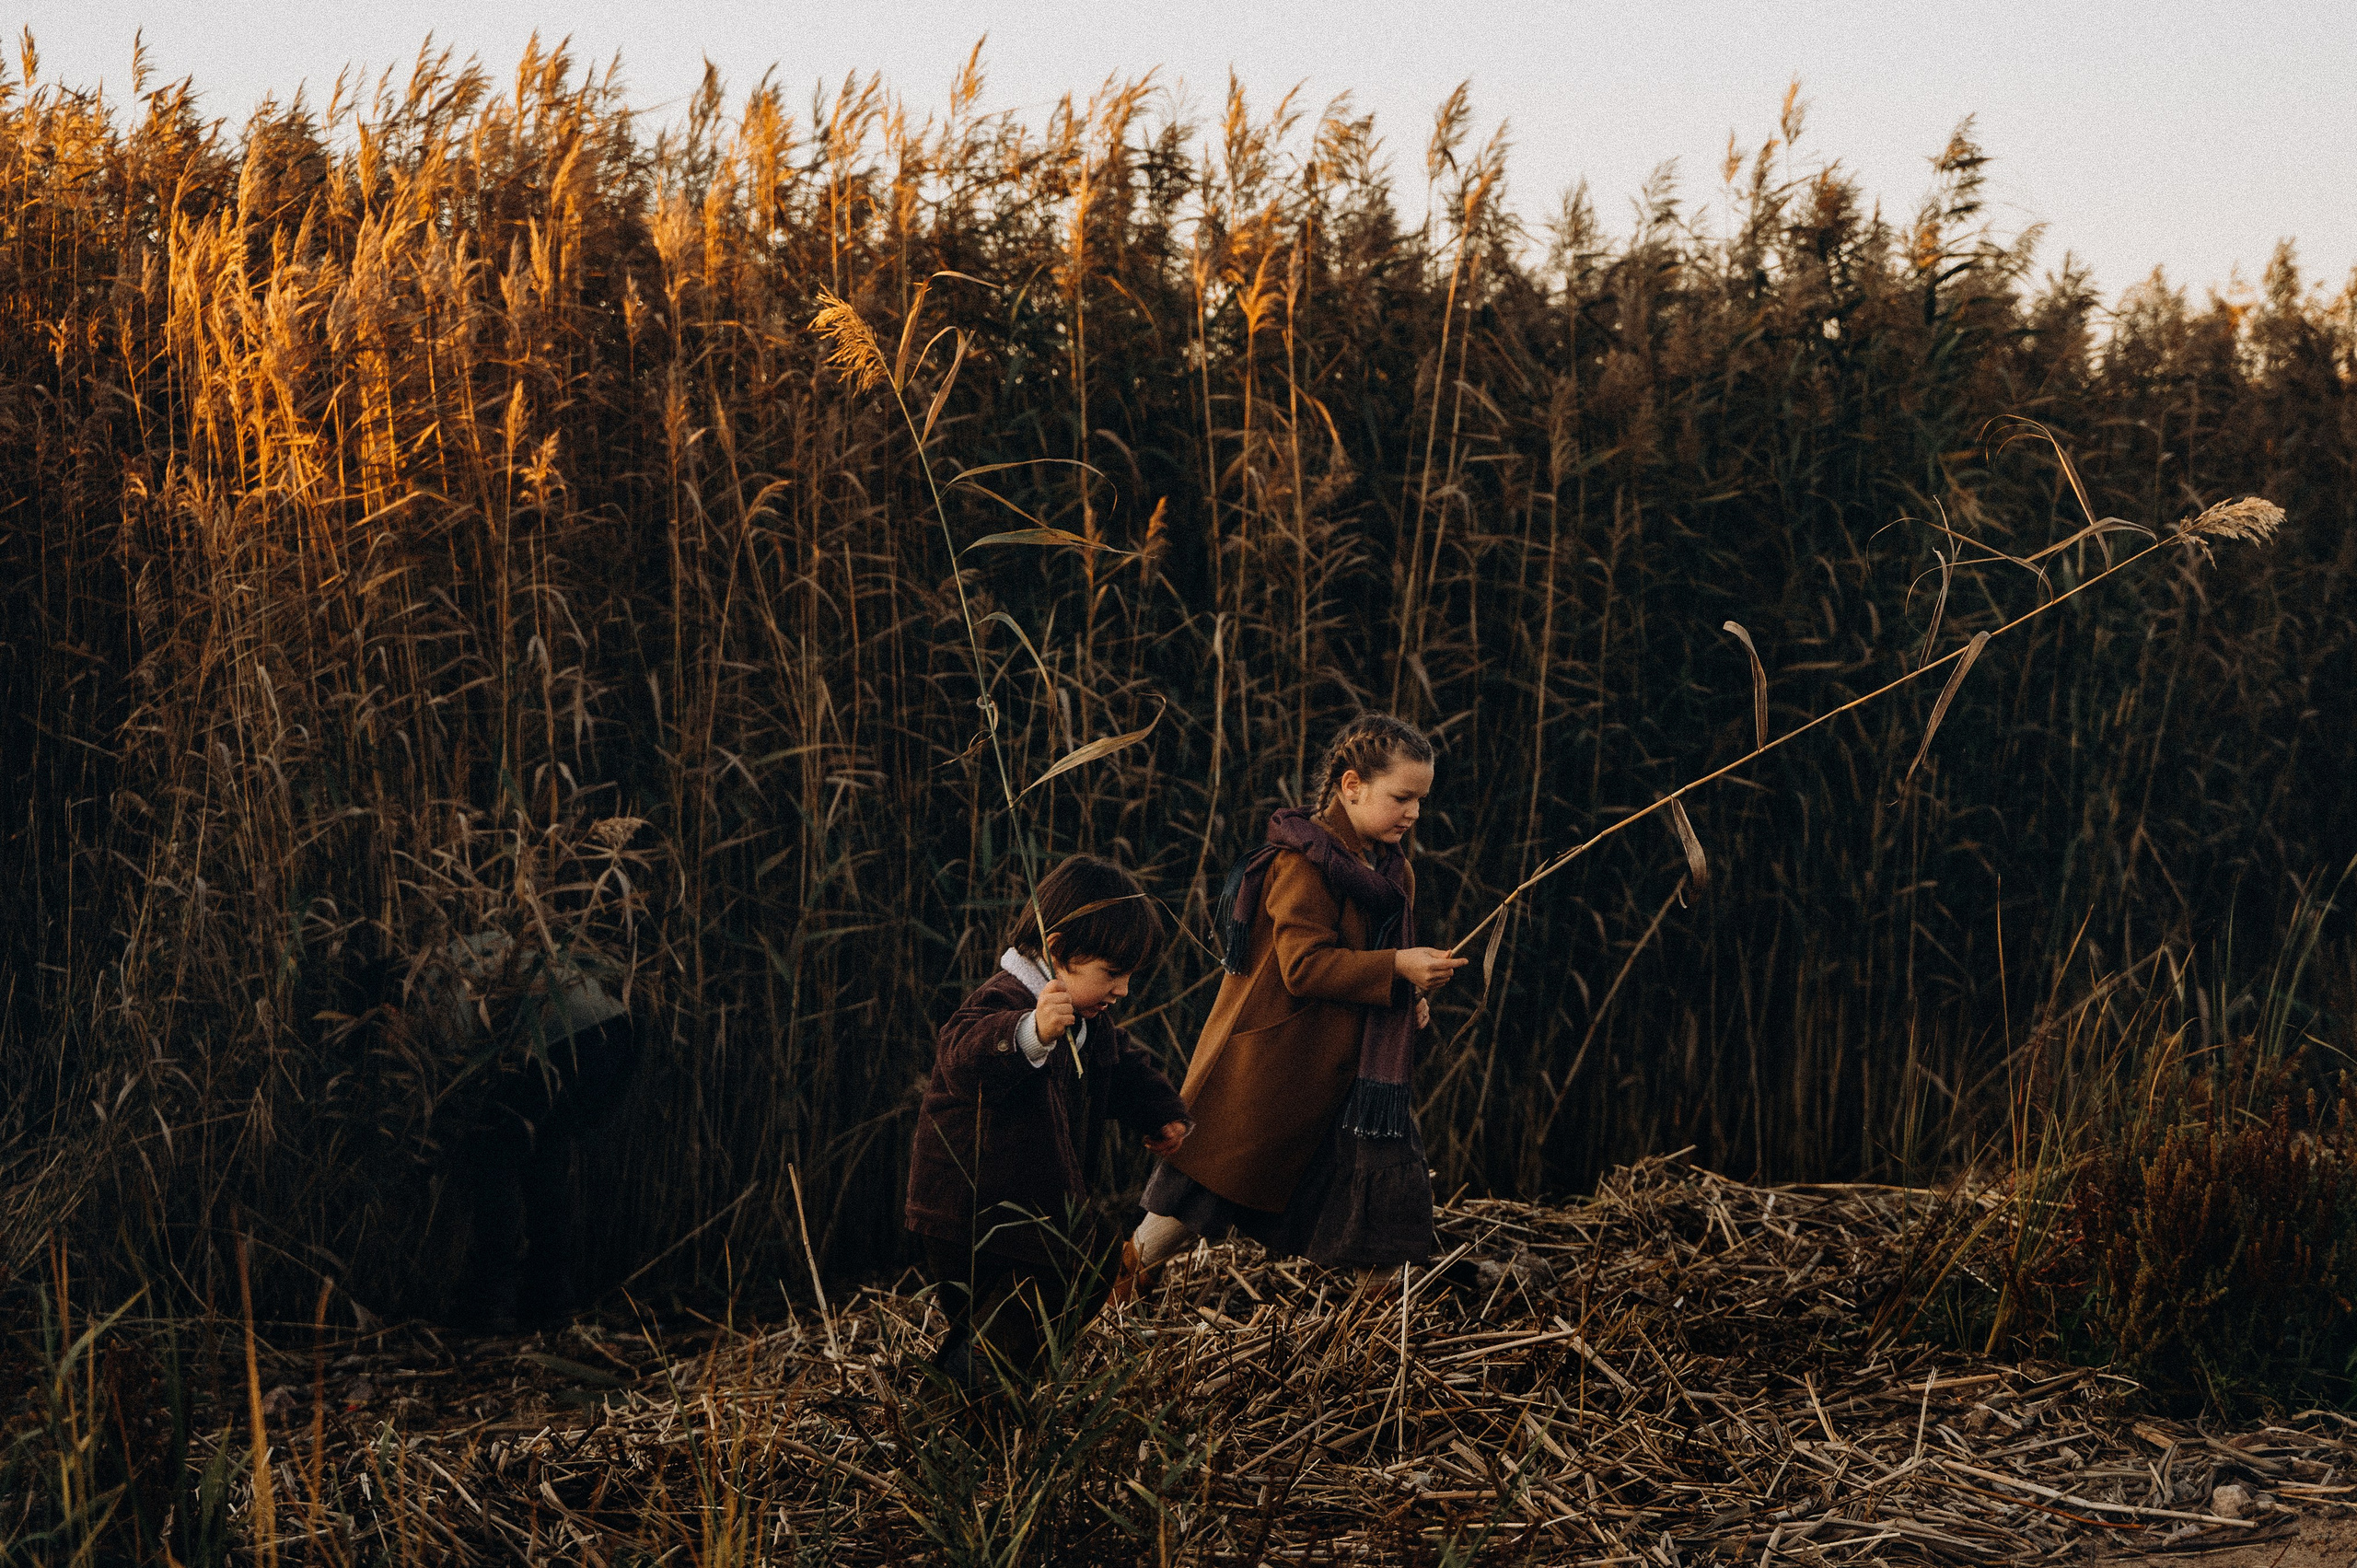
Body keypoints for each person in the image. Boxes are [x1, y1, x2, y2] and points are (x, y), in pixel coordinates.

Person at [1125, 714, 1466, 1288]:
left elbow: (1378, 962)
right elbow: (1303, 967)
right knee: (1187, 1210)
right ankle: (1101, 1301)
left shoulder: (1391, 869)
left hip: (1354, 1083)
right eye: (1401, 797)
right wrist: (1397, 967)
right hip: (1272, 1075)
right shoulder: (1301, 866)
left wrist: (1409, 995)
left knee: (1383, 1215)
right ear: (1351, 786)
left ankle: (1373, 1350)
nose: (1413, 813)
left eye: (1420, 800)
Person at [904, 854, 1191, 1391]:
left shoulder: (1088, 1020)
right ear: (1057, 951)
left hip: (1034, 1211)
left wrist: (1162, 1113)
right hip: (972, 1210)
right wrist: (1029, 1032)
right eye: (1112, 974)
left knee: (1033, 1313)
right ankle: (959, 1403)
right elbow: (961, 1054)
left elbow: (1124, 1064)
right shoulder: (1006, 1002)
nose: (1123, 991)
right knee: (1026, 1313)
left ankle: (982, 1408)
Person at [415, 931, 639, 1334]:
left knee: (491, 1154)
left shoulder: (433, 988)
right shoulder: (458, 954)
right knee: (541, 1157)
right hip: (615, 1033)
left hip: (566, 1040)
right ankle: (549, 1299)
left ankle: (490, 1303)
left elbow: (461, 1069)